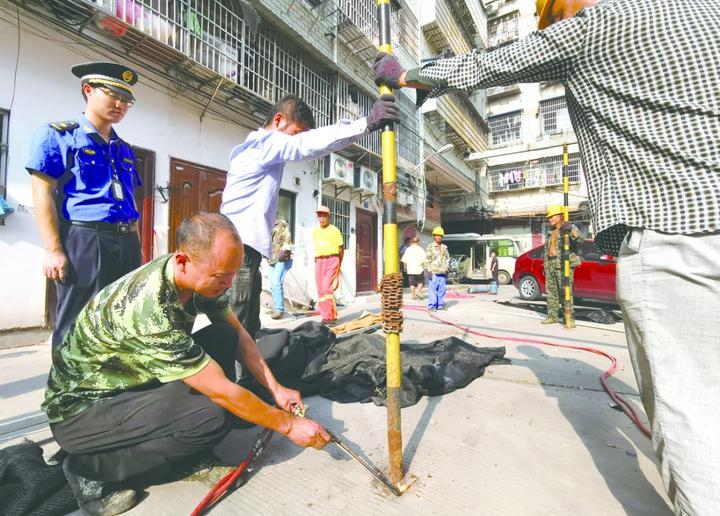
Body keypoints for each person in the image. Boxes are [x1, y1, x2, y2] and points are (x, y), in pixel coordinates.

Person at [373, 1, 720, 512]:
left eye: (554, 17)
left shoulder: (600, 23)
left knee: (691, 414)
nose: (558, 27)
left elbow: (489, 65)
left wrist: (406, 74)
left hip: (674, 237)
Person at [42, 212, 329, 514]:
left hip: (127, 385)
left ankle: (189, 437)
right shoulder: (150, 309)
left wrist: (277, 389)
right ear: (182, 261)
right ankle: (90, 470)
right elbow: (219, 390)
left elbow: (239, 333)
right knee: (213, 416)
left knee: (223, 334)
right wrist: (288, 425)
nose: (229, 284)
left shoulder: (195, 274)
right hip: (81, 413)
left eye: (232, 274)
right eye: (222, 277)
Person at [221, 94, 399, 337]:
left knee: (247, 324)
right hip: (237, 248)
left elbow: (308, 143)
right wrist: (365, 123)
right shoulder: (265, 144)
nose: (298, 140)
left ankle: (248, 372)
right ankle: (234, 374)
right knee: (238, 327)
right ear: (279, 119)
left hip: (243, 249)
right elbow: (307, 145)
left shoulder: (259, 148)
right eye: (296, 132)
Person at [26, 61, 143, 348]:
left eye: (127, 100)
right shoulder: (58, 135)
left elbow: (130, 201)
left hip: (125, 240)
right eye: (113, 94)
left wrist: (136, 247)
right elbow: (43, 193)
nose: (120, 104)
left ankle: (109, 390)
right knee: (76, 323)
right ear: (88, 90)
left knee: (118, 320)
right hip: (84, 239)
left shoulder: (124, 149)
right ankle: (67, 391)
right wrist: (53, 249)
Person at [542, 206, 581, 327]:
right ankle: (552, 316)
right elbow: (547, 251)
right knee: (552, 293)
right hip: (551, 265)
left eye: (552, 216)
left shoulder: (567, 228)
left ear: (560, 216)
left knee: (566, 292)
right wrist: (545, 266)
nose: (550, 219)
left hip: (564, 266)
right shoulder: (550, 233)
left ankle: (569, 318)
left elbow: (579, 239)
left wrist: (570, 230)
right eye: (548, 217)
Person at [312, 206, 344, 327]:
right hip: (319, 261)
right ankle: (325, 317)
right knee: (320, 289)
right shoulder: (315, 232)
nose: (321, 217)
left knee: (326, 288)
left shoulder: (334, 230)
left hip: (332, 259)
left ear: (328, 216)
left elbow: (341, 249)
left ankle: (332, 317)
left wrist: (339, 263)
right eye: (319, 215)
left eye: (324, 215)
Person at [268, 218, 293, 319]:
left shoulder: (282, 223)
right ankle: (275, 307)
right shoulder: (266, 224)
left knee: (276, 283)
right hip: (271, 259)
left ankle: (279, 309)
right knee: (272, 285)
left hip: (282, 258)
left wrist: (283, 253)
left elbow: (288, 238)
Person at [424, 227, 449, 312]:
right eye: (437, 235)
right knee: (433, 290)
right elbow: (427, 259)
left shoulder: (444, 248)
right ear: (434, 236)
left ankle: (440, 305)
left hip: (442, 272)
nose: (438, 237)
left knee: (442, 289)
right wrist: (428, 270)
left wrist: (447, 270)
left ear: (442, 237)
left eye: (440, 236)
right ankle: (432, 305)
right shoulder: (430, 247)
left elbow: (447, 259)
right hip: (433, 272)